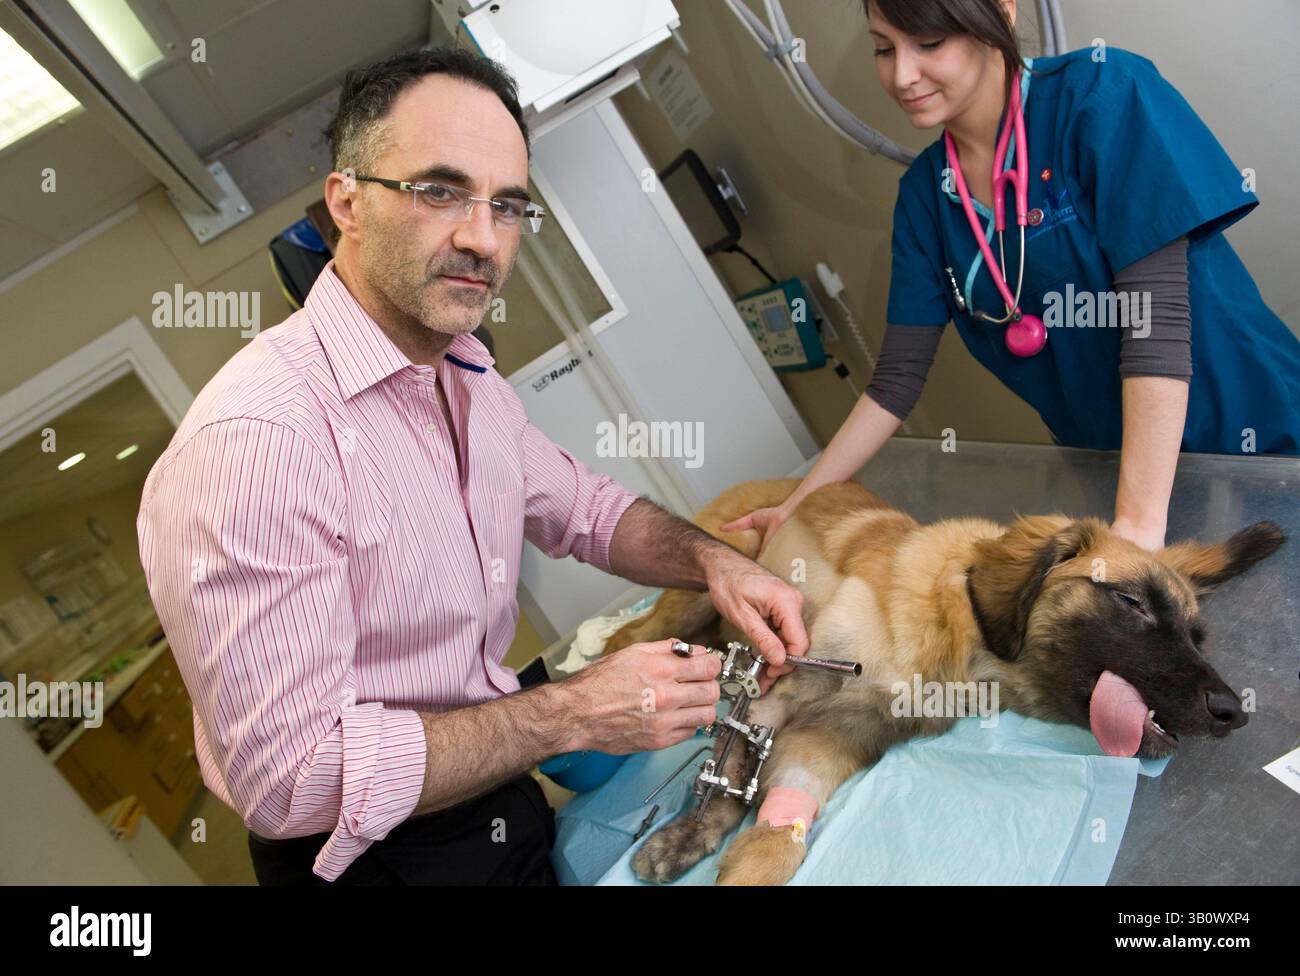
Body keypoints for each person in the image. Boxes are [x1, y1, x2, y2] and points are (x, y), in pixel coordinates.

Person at [136, 48, 808, 886]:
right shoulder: (256, 442)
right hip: (379, 858)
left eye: (509, 206)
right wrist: (571, 712)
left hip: (495, 785)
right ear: (345, 200)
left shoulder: (466, 378)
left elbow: (587, 511)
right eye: (439, 190)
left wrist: (715, 563)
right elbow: (292, 780)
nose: (482, 238)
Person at [725, 0, 1300, 554]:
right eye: (883, 49)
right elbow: (895, 382)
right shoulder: (926, 197)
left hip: (1254, 437)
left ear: (1001, 11)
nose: (902, 75)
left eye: (928, 43)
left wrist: (1137, 526)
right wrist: (796, 504)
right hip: (1119, 472)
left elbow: (1157, 323)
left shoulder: (1100, 96)